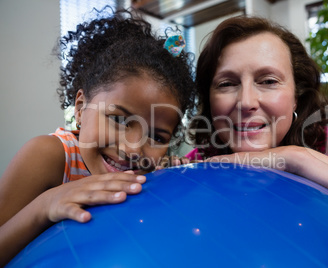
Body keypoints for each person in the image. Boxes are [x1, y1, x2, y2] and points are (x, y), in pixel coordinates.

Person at [0, 9, 196, 265]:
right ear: (80, 108)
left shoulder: (150, 171)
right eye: (118, 119)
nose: (133, 149)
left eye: (157, 137)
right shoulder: (48, 155)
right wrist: (45, 206)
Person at [186, 16, 328, 237]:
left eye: (268, 81)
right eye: (227, 84)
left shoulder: (323, 145)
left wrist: (299, 159)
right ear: (209, 100)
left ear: (296, 97)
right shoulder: (200, 162)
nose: (246, 102)